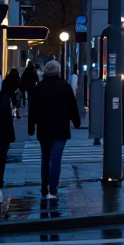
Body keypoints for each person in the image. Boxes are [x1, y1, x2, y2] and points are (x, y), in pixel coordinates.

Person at [27, 59, 81, 201]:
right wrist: (76, 122)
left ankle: (44, 186)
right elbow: (72, 107)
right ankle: (53, 189)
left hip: (44, 129)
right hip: (61, 128)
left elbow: (33, 109)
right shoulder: (65, 87)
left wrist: (31, 127)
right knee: (56, 159)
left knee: (45, 159)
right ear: (58, 71)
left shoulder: (39, 88)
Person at [0, 75, 15, 206]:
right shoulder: (4, 101)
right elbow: (8, 121)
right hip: (1, 138)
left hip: (1, 138)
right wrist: (10, 137)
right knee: (0, 163)